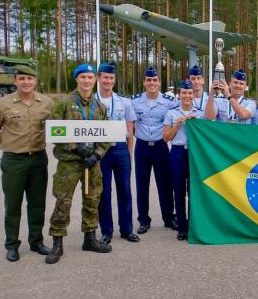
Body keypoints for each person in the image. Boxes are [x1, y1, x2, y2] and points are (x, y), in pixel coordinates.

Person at [46, 64, 111, 264]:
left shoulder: (100, 107)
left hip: (91, 163)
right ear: (77, 79)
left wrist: (98, 155)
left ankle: (89, 238)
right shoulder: (64, 103)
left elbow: (106, 135)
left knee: (92, 200)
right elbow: (54, 130)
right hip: (69, 163)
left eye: (90, 77)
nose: (86, 81)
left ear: (95, 80)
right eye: (83, 77)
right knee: (63, 202)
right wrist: (74, 147)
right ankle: (57, 243)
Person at [0, 66, 53, 262]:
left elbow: (56, 127)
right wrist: (8, 144)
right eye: (22, 78)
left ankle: (36, 241)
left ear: (35, 81)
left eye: (30, 79)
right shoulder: (2, 103)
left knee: (37, 203)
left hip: (39, 159)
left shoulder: (46, 103)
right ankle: (12, 245)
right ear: (15, 81)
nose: (26, 82)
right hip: (14, 160)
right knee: (13, 204)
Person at [96, 62, 139, 244]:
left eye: (111, 78)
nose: (108, 81)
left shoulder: (124, 102)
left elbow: (130, 129)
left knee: (125, 191)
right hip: (101, 151)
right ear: (98, 78)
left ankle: (127, 230)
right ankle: (106, 231)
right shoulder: (91, 101)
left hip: (120, 149)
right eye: (105, 77)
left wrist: (129, 154)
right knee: (103, 192)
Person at [131, 66, 178, 234]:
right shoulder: (134, 101)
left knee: (165, 184)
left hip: (160, 147)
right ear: (144, 82)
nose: (152, 83)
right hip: (142, 147)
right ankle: (143, 220)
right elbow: (130, 124)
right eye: (149, 80)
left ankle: (168, 218)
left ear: (159, 82)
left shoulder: (169, 102)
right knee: (142, 185)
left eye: (155, 80)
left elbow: (183, 111)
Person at [163, 80, 204, 241]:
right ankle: (181, 227)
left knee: (192, 191)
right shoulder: (171, 113)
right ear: (179, 95)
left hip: (194, 154)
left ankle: (192, 225)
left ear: (193, 95)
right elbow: (165, 137)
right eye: (184, 93)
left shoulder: (199, 113)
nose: (187, 96)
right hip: (178, 152)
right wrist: (177, 125)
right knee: (178, 191)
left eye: (190, 93)